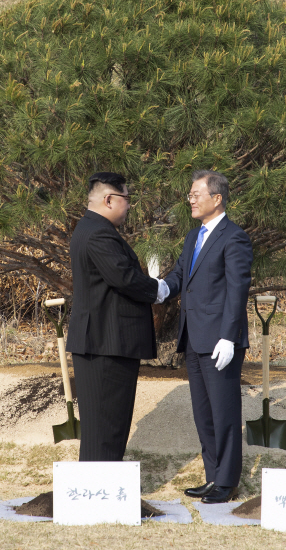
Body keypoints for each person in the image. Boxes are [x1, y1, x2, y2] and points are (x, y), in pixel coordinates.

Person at [66, 172, 168, 462]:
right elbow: (124, 278)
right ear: (109, 199)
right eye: (126, 199)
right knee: (107, 429)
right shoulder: (98, 232)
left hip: (102, 342)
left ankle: (99, 494)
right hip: (106, 345)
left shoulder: (90, 227)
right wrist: (160, 289)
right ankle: (100, 498)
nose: (129, 205)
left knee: (105, 429)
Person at [164, 170, 253, 504]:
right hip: (193, 337)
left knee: (224, 411)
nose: (191, 198)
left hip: (219, 341)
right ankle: (213, 476)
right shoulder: (193, 237)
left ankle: (227, 482)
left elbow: (236, 290)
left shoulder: (234, 237)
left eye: (196, 194)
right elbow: (178, 275)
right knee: (204, 413)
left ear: (217, 198)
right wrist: (160, 289)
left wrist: (229, 338)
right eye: (189, 194)